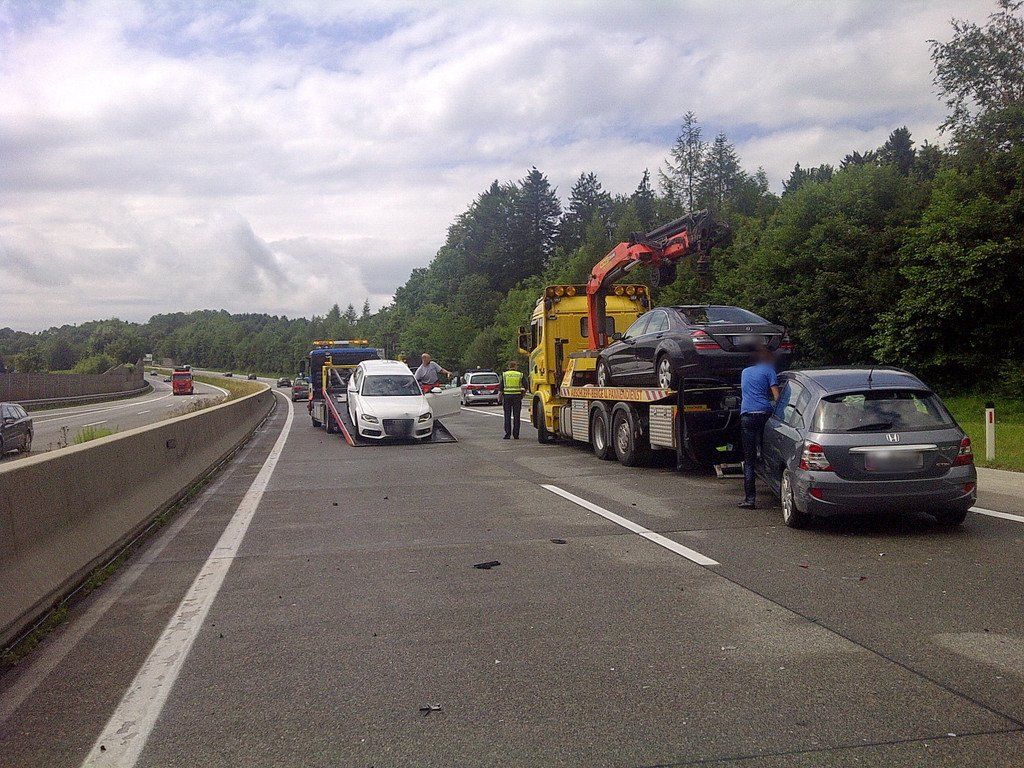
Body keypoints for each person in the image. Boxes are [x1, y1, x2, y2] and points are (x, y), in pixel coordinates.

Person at [738, 345, 780, 509]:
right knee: (768, 453)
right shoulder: (769, 370)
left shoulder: (745, 372)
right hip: (764, 415)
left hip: (747, 415)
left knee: (749, 461)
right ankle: (775, 490)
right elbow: (776, 397)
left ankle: (750, 500)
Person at [500, 360, 526, 440]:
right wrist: (522, 394)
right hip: (517, 397)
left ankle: (507, 434)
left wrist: (501, 396)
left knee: (507, 415)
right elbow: (526, 386)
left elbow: (501, 387)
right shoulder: (520, 375)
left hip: (507, 397)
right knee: (516, 416)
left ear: (509, 367)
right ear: (515, 366)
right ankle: (516, 434)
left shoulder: (505, 375)